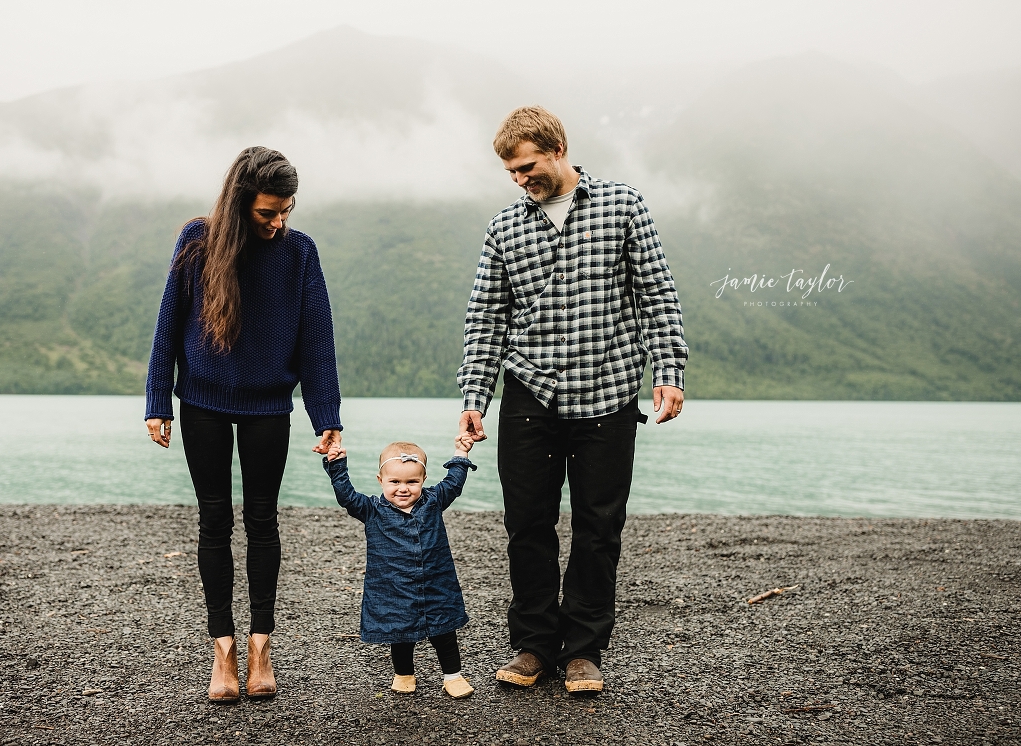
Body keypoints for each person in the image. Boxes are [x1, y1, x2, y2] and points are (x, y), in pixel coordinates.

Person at [457, 106, 688, 694]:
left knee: (598, 527)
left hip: (608, 391)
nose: (520, 180)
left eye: (527, 167)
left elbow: (656, 294)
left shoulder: (623, 205)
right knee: (526, 524)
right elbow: (486, 318)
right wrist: (475, 396)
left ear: (557, 149)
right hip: (528, 394)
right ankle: (534, 644)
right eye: (511, 173)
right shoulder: (504, 228)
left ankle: (583, 649)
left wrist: (669, 371)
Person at [144, 146, 344, 703]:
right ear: (238, 204)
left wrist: (326, 415)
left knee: (262, 520)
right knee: (214, 521)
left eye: (286, 211)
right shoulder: (197, 241)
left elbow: (317, 340)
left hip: (268, 407)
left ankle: (260, 646)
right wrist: (158, 401)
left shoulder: (300, 252)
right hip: (202, 403)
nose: (278, 223)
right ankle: (223, 649)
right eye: (266, 213)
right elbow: (168, 324)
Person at [322, 437, 478, 699]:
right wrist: (337, 464)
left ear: (423, 479)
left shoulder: (434, 501)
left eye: (412, 482)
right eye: (394, 482)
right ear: (380, 480)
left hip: (436, 583)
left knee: (444, 631)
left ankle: (453, 676)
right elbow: (347, 496)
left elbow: (454, 482)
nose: (403, 489)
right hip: (393, 587)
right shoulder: (371, 510)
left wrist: (461, 452)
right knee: (400, 633)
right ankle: (404, 674)